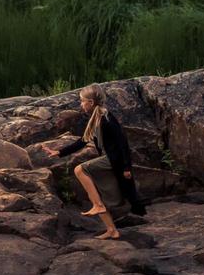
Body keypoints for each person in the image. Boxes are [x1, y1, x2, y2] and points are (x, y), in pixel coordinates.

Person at [44, 83, 145, 240]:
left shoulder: (106, 118)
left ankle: (97, 206)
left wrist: (126, 167)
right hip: (107, 160)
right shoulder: (95, 118)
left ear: (91, 102)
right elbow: (83, 141)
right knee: (96, 194)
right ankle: (112, 230)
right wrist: (59, 152)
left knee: (79, 170)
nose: (81, 104)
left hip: (113, 160)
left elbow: (122, 143)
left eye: (82, 101)